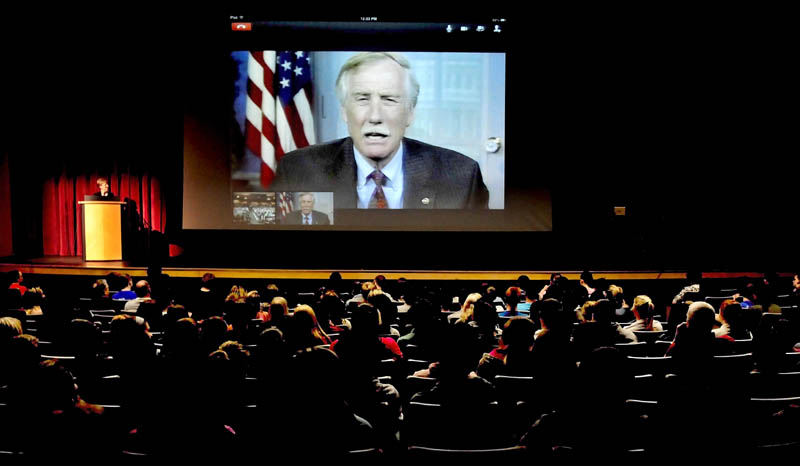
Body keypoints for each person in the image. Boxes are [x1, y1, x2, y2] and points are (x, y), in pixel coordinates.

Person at [270, 52, 489, 209]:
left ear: (410, 112)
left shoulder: (462, 176)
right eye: (362, 99)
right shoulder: (297, 170)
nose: (375, 116)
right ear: (344, 111)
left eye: (389, 99)